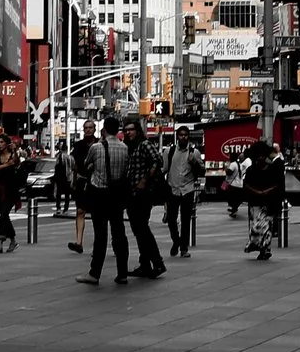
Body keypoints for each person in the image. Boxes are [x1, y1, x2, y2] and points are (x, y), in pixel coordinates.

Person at [74, 114, 136, 285]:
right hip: (117, 195)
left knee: (100, 235)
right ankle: (122, 273)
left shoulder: (96, 147)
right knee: (119, 234)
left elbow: (87, 164)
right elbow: (126, 170)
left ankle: (95, 273)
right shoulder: (124, 148)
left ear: (105, 129)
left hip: (99, 194)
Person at [122, 123, 166, 278]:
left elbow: (157, 161)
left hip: (144, 193)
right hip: (132, 193)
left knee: (142, 229)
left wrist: (144, 180)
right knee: (139, 230)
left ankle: (157, 262)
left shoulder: (145, 144)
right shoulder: (129, 147)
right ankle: (145, 264)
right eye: (126, 130)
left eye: (131, 130)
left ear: (138, 131)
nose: (128, 133)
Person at [163, 127, 205, 258]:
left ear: (189, 137)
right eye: (181, 135)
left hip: (188, 189)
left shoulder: (195, 152)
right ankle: (177, 241)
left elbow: (202, 170)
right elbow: (164, 169)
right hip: (173, 188)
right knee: (171, 219)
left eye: (185, 135)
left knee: (186, 220)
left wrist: (194, 163)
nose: (183, 137)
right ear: (177, 137)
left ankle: (183, 248)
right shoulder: (169, 152)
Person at [240, 139, 285, 260]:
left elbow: (277, 184)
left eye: (262, 155)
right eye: (258, 156)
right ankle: (262, 247)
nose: (260, 158)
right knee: (257, 227)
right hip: (257, 202)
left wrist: (264, 192)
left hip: (267, 202)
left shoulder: (271, 169)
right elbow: (246, 185)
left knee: (265, 226)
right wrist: (260, 192)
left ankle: (265, 248)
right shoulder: (252, 170)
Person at [67, 118, 99, 251]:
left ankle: (99, 242)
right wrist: (74, 181)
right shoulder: (79, 145)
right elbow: (74, 165)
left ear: (94, 129)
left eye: (90, 128)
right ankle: (79, 242)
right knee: (80, 211)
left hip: (97, 182)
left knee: (98, 214)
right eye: (86, 128)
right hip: (82, 181)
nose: (88, 130)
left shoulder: (100, 144)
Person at [0, 134, 21, 253]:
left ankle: (0, 242)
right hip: (0, 188)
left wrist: (15, 150)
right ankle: (13, 241)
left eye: (2, 142)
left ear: (7, 143)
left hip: (11, 189)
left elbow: (17, 163)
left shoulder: (13, 154)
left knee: (4, 213)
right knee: (4, 215)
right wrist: (6, 165)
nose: (0, 144)